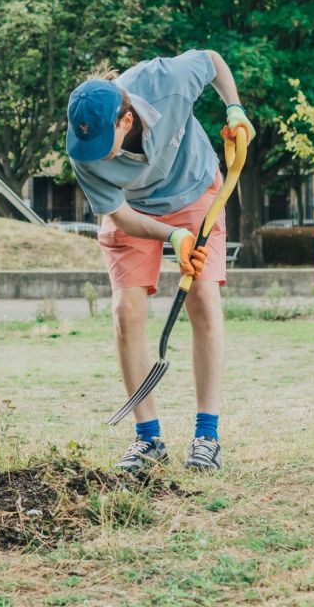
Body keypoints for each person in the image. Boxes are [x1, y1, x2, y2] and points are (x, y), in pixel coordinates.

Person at [65, 49, 253, 473]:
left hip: (193, 190)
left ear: (125, 121)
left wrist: (235, 108)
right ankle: (148, 440)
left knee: (203, 299)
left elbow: (213, 60)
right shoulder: (83, 151)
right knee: (125, 312)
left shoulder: (165, 80)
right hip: (134, 211)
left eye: (101, 144)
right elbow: (120, 215)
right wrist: (172, 236)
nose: (93, 155)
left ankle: (207, 436)